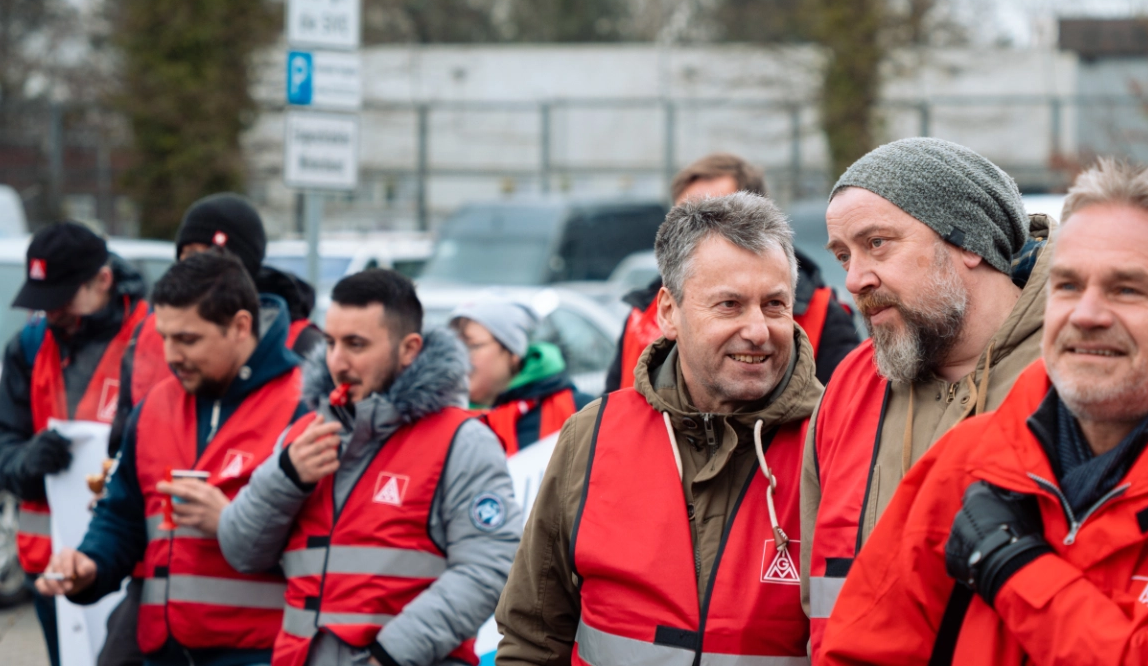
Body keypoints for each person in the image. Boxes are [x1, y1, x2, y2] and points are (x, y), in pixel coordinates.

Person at [820, 159, 1148, 665]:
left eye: (1127, 289)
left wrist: (1017, 568)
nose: (1088, 314)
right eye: (1068, 286)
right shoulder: (965, 462)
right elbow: (864, 651)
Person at [495, 192, 823, 664]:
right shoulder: (592, 436)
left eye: (774, 305)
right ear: (668, 312)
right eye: (730, 305)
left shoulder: (835, 442)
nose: (758, 329)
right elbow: (532, 636)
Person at [803, 137, 1052, 650]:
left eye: (877, 243)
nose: (853, 279)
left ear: (969, 241)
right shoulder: (850, 386)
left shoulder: (1089, 376)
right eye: (843, 255)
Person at [218, 269, 519, 666]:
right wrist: (285, 477)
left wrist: (389, 656)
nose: (337, 362)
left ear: (409, 349)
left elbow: (490, 568)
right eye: (330, 342)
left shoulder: (461, 440)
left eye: (355, 344)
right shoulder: (306, 434)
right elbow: (240, 551)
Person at [37, 252, 307, 666]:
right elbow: (122, 515)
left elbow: (326, 554)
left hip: (261, 655)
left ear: (240, 327)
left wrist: (233, 521)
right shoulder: (155, 407)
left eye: (188, 339)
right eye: (164, 336)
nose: (171, 355)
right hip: (163, 653)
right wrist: (89, 563)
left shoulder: (300, 409)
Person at [0, 220, 148, 666]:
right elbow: (1, 443)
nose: (50, 312)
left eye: (62, 299)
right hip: (52, 564)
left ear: (103, 281)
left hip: (126, 563)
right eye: (42, 300)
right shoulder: (30, 345)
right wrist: (28, 461)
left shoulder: (150, 337)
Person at [605, 152, 861, 391]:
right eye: (685, 217)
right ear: (668, 310)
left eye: (716, 215)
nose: (697, 230)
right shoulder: (642, 314)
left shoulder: (821, 314)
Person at [113, 193, 324, 452]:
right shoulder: (147, 333)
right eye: (190, 255)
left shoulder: (301, 342)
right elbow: (122, 439)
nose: (174, 354)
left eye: (215, 256)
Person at [452, 295, 594, 454]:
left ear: (513, 352)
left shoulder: (581, 412)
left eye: (472, 346)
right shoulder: (439, 418)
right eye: (454, 346)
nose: (459, 356)